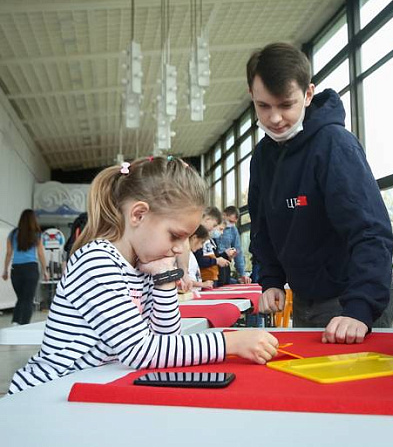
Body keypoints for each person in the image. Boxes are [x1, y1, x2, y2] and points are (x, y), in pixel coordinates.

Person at [7, 157, 278, 395]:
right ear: (138, 214)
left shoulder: (146, 264)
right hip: (48, 394)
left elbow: (167, 340)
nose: (180, 248)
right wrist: (229, 341)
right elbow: (140, 351)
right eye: (175, 236)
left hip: (92, 387)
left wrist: (163, 283)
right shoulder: (97, 261)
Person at [247, 43, 393, 344]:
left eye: (285, 104)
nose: (275, 118)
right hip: (305, 300)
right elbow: (262, 230)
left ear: (308, 94)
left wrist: (360, 306)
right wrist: (271, 281)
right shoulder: (262, 157)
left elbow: (371, 231)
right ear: (253, 98)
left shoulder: (334, 144)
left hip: (352, 299)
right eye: (264, 106)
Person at [2, 209, 49, 325]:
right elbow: (41, 253)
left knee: (21, 299)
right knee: (28, 300)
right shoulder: (36, 233)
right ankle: (23, 325)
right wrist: (45, 270)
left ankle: (15, 322)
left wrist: (5, 270)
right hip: (31, 269)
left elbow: (8, 253)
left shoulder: (12, 234)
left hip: (16, 270)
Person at [218, 206, 251, 284]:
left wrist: (242, 273)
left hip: (225, 264)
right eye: (230, 221)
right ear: (223, 215)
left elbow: (238, 252)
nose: (231, 224)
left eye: (234, 222)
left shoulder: (233, 230)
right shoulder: (214, 227)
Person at [188, 225, 214, 294]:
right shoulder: (185, 255)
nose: (201, 246)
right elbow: (184, 279)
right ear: (194, 238)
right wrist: (202, 284)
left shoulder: (191, 254)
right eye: (202, 242)